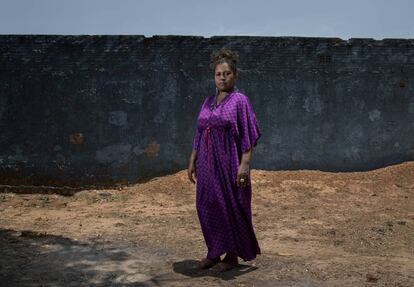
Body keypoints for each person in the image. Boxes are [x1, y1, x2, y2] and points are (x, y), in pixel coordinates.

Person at [187, 48, 262, 273]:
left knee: (230, 207)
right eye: (219, 74)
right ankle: (214, 252)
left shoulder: (240, 101)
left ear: (235, 76)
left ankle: (231, 257)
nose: (222, 77)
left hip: (229, 163)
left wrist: (245, 165)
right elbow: (199, 131)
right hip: (206, 165)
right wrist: (192, 159)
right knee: (206, 206)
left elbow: (248, 134)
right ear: (214, 76)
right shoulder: (208, 101)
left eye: (227, 73)